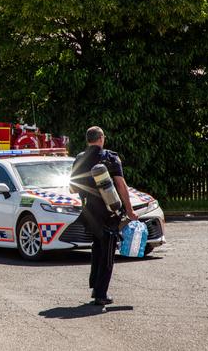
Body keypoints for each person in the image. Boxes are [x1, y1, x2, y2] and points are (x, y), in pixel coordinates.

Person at [69, 126, 138, 306]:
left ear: (88, 140)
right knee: (107, 252)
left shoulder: (79, 158)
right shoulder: (111, 157)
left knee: (97, 247)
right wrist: (129, 210)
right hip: (109, 210)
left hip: (89, 213)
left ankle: (95, 285)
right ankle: (101, 294)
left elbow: (72, 188)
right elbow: (121, 185)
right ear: (101, 138)